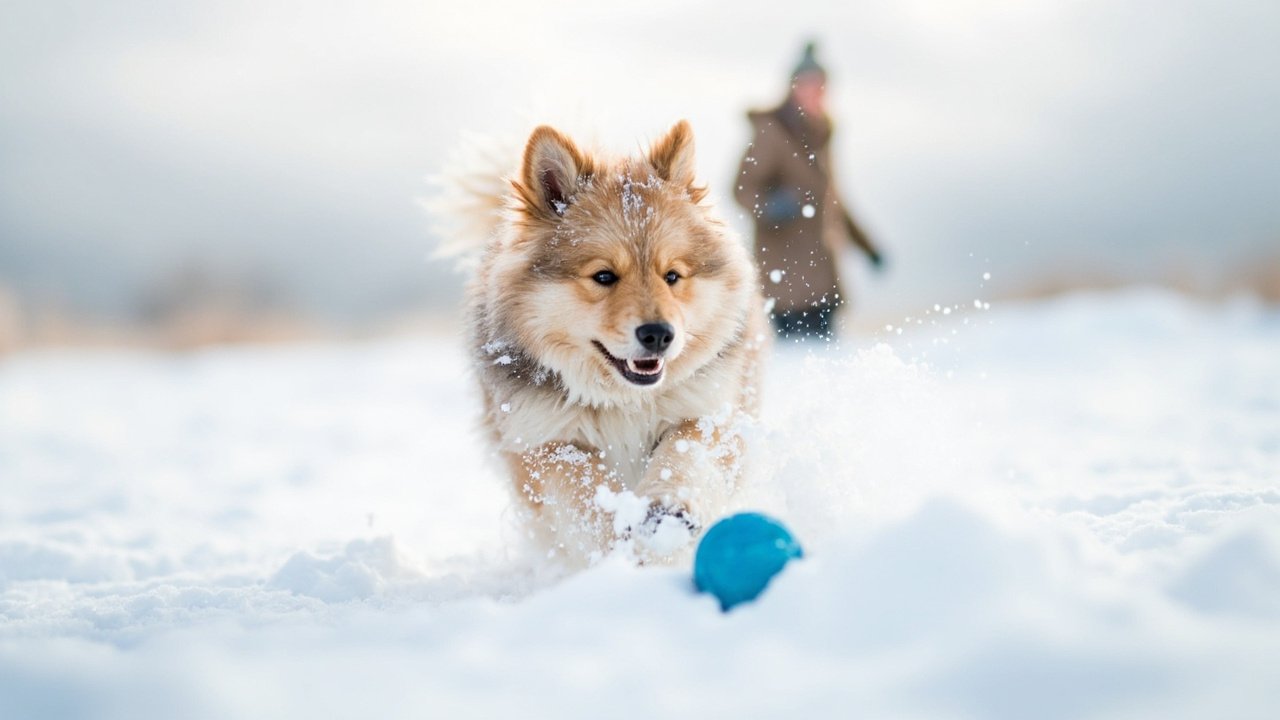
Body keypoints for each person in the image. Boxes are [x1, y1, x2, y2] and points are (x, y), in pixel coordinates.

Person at [735, 42, 884, 341]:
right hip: (785, 284)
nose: (816, 92)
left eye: (821, 86)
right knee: (795, 370)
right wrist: (771, 205)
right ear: (793, 87)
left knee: (825, 370)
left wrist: (868, 247)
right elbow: (742, 188)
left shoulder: (820, 136)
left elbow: (834, 202)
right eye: (809, 85)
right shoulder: (772, 132)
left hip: (822, 280)